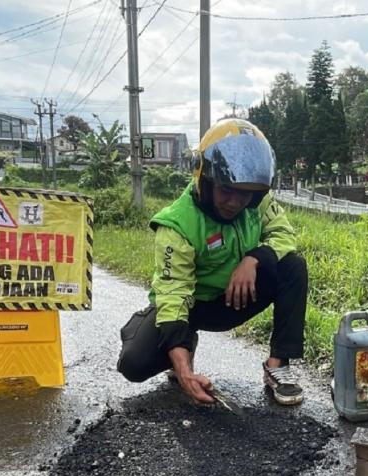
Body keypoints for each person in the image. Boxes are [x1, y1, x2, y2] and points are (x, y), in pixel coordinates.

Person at [116, 119, 308, 406]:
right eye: (225, 190)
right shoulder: (177, 224)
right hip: (192, 307)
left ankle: (276, 365)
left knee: (293, 266)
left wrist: (255, 258)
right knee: (133, 365)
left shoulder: (258, 201)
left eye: (244, 193)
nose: (234, 202)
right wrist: (184, 372)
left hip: (236, 298)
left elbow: (283, 235)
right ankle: (177, 340)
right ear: (204, 180)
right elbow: (173, 293)